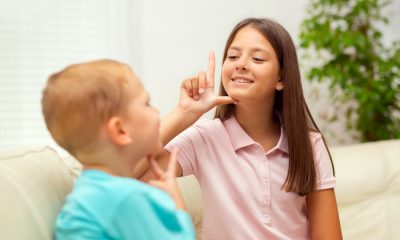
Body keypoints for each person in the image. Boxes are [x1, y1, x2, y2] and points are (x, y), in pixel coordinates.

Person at [135, 18, 342, 239]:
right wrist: (184, 112)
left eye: (257, 58)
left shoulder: (309, 144)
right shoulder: (205, 138)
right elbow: (127, 171)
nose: (240, 64)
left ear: (281, 78)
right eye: (233, 56)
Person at [41, 60, 195, 240]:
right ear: (120, 130)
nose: (156, 111)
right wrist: (176, 204)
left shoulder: (84, 197)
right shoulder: (128, 198)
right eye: (147, 104)